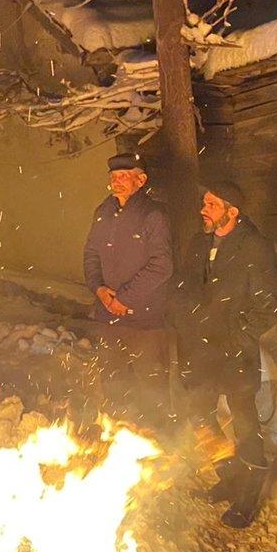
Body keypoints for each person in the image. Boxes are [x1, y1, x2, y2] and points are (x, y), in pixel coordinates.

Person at [168, 181, 277, 528]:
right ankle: (229, 474)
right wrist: (184, 318)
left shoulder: (254, 247)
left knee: (246, 422)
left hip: (235, 352)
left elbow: (271, 304)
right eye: (204, 202)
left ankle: (249, 492)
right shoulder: (198, 243)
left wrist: (238, 332)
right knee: (199, 413)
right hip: (199, 349)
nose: (204, 209)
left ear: (232, 211)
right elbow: (184, 288)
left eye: (212, 204)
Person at [82, 152, 174, 427]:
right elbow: (90, 254)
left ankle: (157, 439)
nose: (117, 182)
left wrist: (124, 298)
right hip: (109, 316)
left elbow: (162, 265)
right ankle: (117, 431)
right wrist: (99, 289)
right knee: (113, 378)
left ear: (141, 180)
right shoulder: (103, 213)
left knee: (151, 385)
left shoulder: (153, 215)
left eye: (123, 176)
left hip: (144, 320)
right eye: (113, 177)